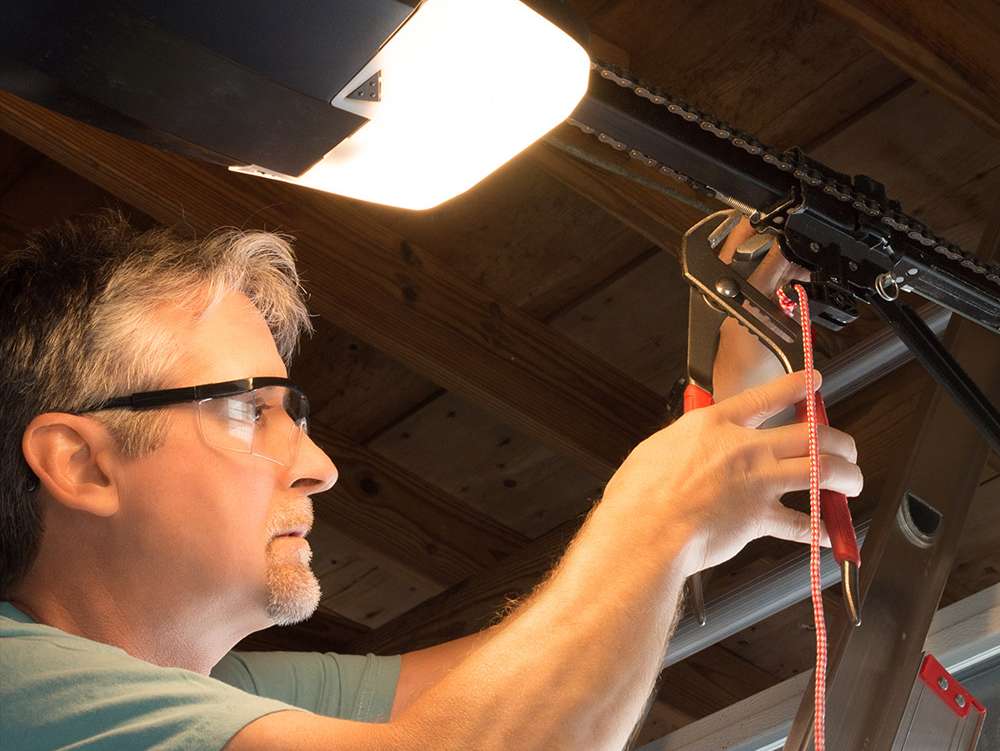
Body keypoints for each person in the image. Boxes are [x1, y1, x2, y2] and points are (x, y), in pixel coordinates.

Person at [0, 211, 861, 750]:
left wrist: (721, 420)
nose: (319, 464)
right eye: (245, 410)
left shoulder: (220, 697)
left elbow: (532, 679)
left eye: (292, 413)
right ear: (82, 462)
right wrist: (652, 521)